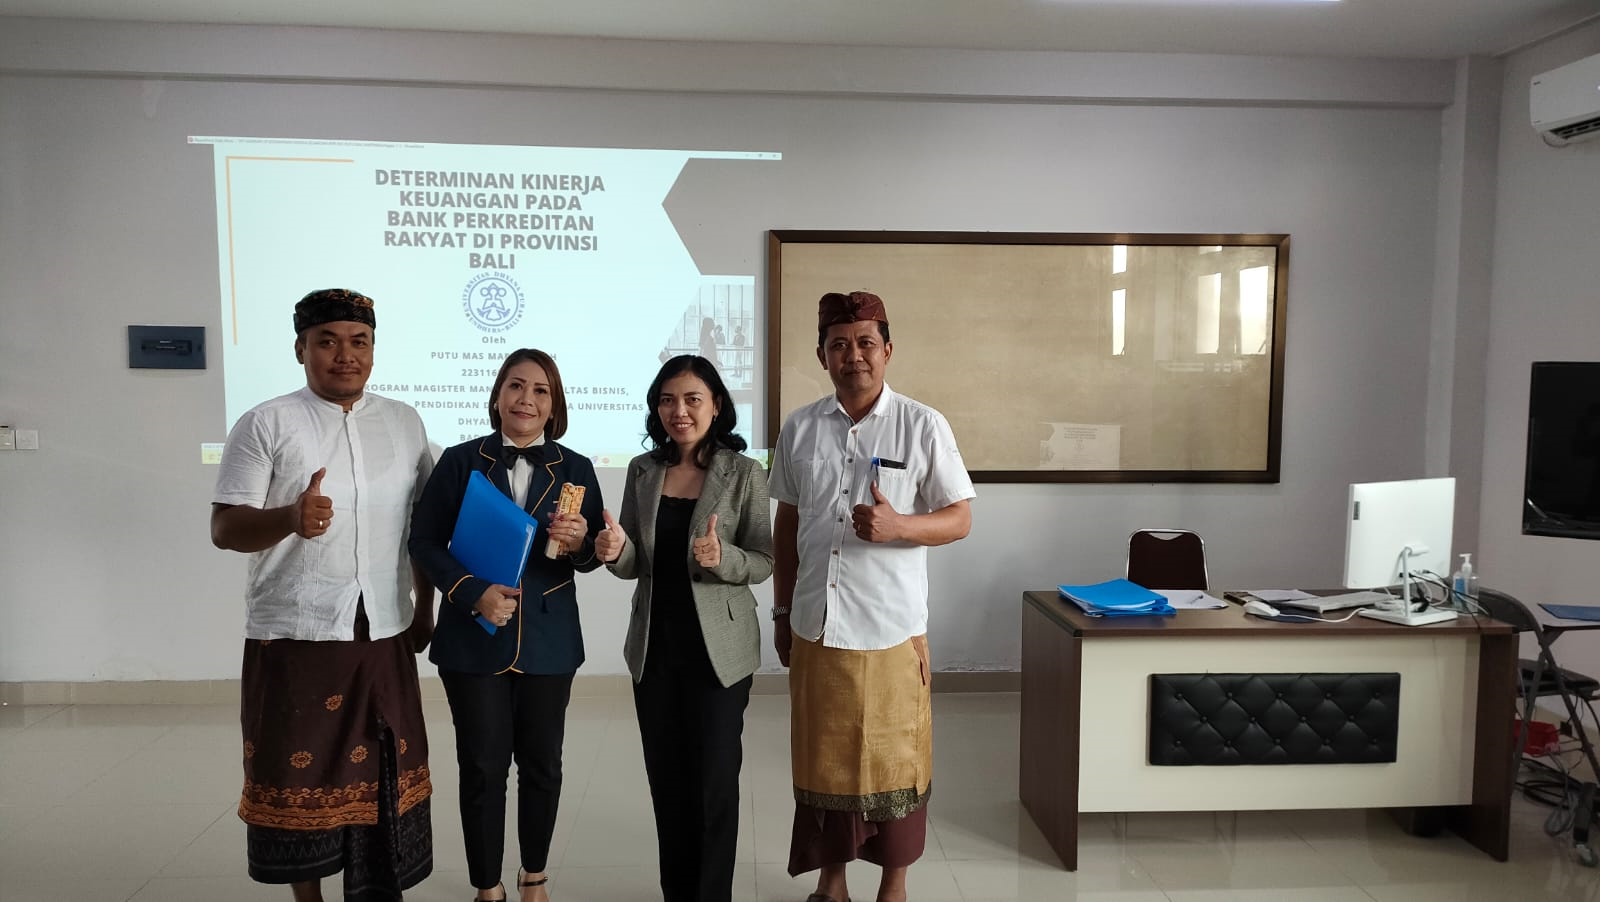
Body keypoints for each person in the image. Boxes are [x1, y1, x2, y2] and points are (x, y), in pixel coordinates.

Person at [211, 287, 436, 902]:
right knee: (298, 777)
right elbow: (225, 528)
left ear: (374, 349)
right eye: (327, 341)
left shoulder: (405, 422)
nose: (345, 355)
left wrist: (425, 608)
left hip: (383, 629)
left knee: (383, 773)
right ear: (300, 349)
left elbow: (423, 526)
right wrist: (288, 517)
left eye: (359, 341)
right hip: (297, 631)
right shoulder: (266, 422)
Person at [768, 291, 976, 902]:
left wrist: (900, 526)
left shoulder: (923, 424)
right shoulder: (800, 426)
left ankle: (894, 885)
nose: (853, 355)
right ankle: (831, 883)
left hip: (890, 633)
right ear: (822, 356)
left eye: (865, 343)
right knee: (824, 764)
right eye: (839, 345)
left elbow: (960, 518)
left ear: (887, 350)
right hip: (816, 625)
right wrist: (781, 611)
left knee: (897, 766)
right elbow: (787, 524)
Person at [408, 348, 604, 902]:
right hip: (471, 640)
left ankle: (533, 876)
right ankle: (487, 885)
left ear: (554, 405)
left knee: (543, 766)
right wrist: (472, 594)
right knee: (482, 767)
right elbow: (424, 541)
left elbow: (590, 554)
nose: (526, 399)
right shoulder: (460, 461)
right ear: (497, 395)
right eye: (516, 386)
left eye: (541, 390)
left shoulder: (576, 468)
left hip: (548, 639)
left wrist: (581, 543)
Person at [592, 355, 774, 902]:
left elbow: (763, 560)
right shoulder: (643, 470)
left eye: (693, 399)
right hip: (655, 650)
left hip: (719, 655)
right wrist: (615, 550)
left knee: (714, 784)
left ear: (716, 405)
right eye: (667, 400)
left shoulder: (744, 473)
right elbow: (634, 563)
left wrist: (724, 558)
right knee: (667, 783)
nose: (680, 411)